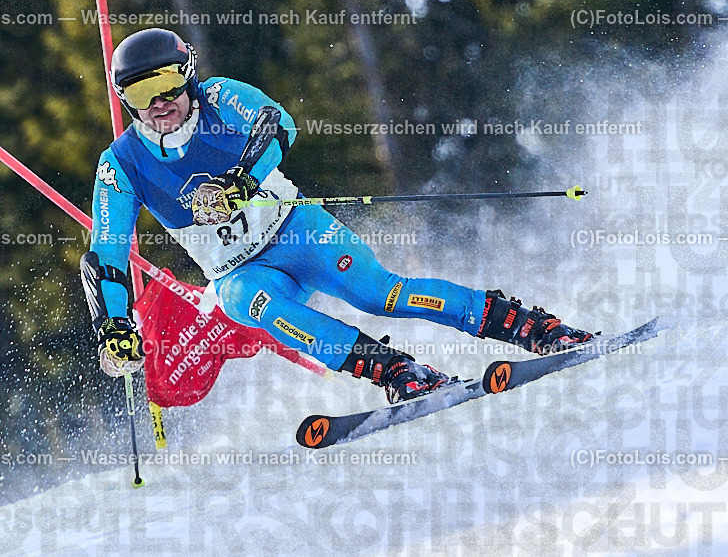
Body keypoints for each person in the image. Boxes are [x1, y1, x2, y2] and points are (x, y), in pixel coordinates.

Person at [80, 28, 592, 404]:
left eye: (167, 84)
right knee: (241, 302)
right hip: (242, 271)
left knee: (380, 294)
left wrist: (241, 182)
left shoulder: (219, 97)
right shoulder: (120, 163)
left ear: (187, 74)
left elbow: (279, 126)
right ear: (126, 99)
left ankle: (529, 327)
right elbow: (107, 251)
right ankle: (398, 373)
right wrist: (115, 323)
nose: (161, 102)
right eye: (142, 93)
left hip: (296, 231)